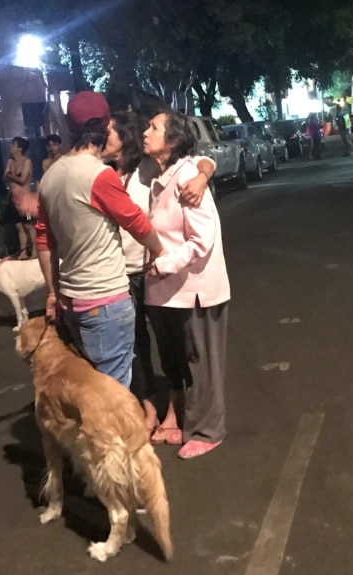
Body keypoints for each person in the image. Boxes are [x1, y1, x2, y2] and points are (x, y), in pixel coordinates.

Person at [34, 91, 165, 390]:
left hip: (72, 301)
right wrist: (159, 251)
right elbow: (135, 221)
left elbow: (44, 239)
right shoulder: (99, 176)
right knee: (112, 395)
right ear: (106, 126)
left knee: (90, 389)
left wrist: (53, 292)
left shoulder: (50, 177)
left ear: (68, 128)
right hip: (105, 300)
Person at [101, 111, 216, 442]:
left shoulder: (149, 169)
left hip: (150, 271)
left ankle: (175, 409)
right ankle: (150, 406)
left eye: (109, 131)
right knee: (135, 346)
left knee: (174, 346)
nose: (102, 137)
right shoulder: (101, 175)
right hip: (117, 274)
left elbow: (200, 159)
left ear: (126, 136)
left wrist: (202, 177)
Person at [142, 110, 232, 460]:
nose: (147, 133)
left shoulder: (188, 179)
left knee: (201, 362)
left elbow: (201, 240)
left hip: (194, 289)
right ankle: (184, 419)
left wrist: (163, 264)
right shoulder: (157, 175)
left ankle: (208, 430)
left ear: (174, 140)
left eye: (154, 128)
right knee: (177, 360)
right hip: (165, 291)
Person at [3, 136, 37, 259]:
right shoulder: (10, 162)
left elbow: (22, 180)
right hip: (14, 200)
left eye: (13, 145)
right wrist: (10, 176)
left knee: (28, 225)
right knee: (19, 227)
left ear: (20, 148)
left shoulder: (26, 161)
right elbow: (4, 177)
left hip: (25, 201)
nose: (10, 147)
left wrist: (10, 176)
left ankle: (34, 251)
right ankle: (23, 251)